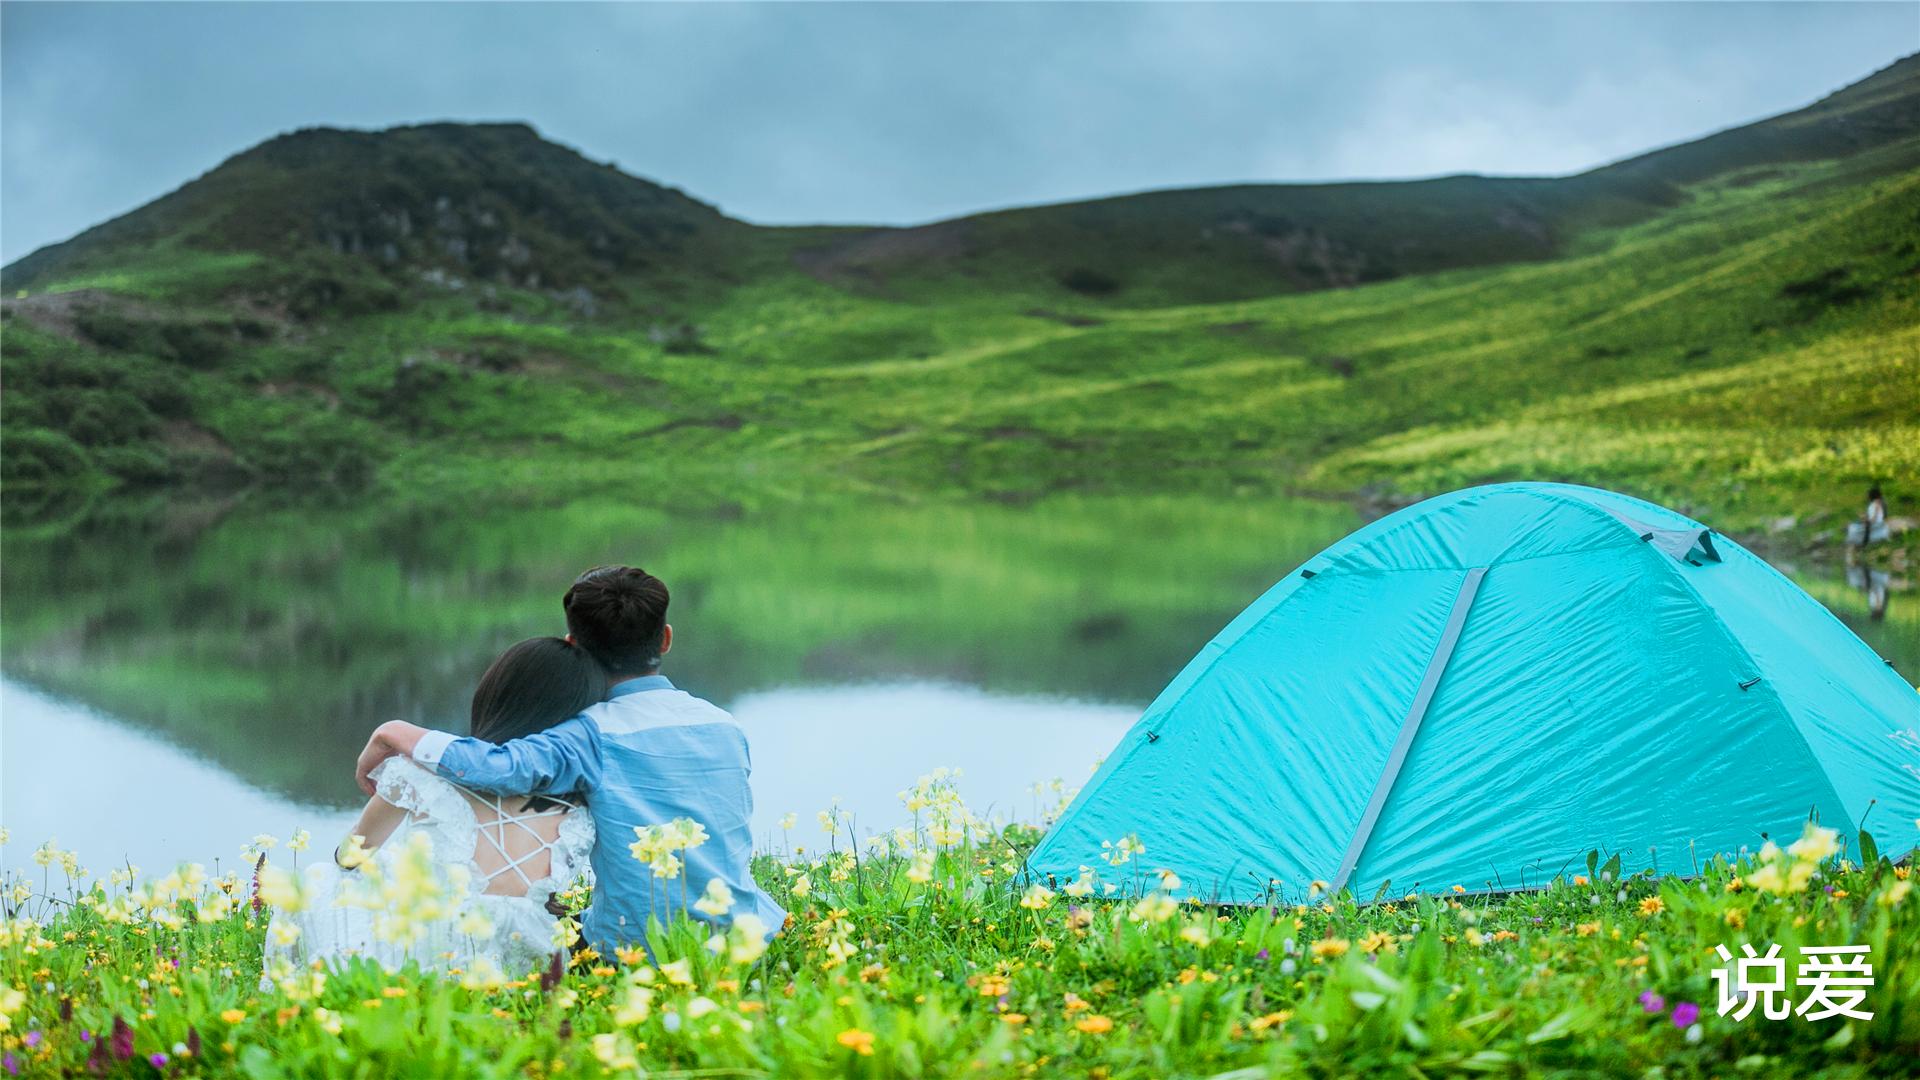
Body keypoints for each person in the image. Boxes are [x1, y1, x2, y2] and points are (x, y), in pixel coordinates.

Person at [352, 566, 785, 956]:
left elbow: (497, 766)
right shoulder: (724, 725)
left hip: (639, 946)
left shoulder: (587, 734)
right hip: (747, 934)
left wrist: (394, 731)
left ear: (573, 645)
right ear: (666, 638)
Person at [267, 637, 604, 978]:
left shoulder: (419, 773)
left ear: (498, 694)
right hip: (530, 952)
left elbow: (351, 858)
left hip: (441, 948)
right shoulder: (582, 802)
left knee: (319, 879)